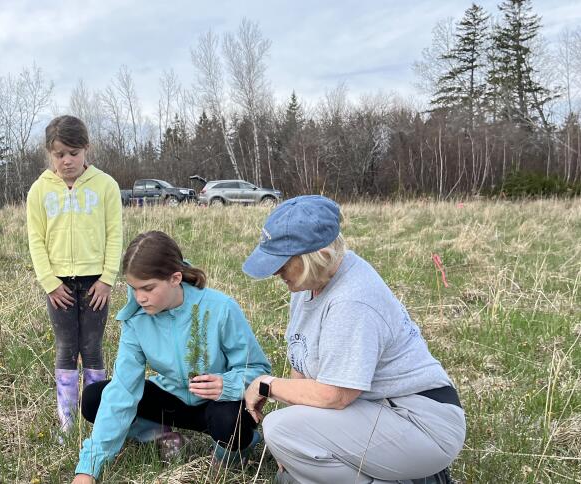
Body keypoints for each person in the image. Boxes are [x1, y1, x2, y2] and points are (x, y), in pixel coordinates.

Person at [241, 195, 466, 484]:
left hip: (420, 423)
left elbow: (336, 395)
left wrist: (266, 385)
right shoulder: (308, 285)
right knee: (289, 448)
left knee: (280, 429)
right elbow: (303, 367)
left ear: (318, 255)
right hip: (378, 411)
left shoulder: (353, 299)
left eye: (283, 262)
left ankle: (411, 478)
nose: (275, 272)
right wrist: (293, 449)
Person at [72, 231, 272, 483]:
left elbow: (257, 369)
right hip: (171, 399)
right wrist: (87, 469)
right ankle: (160, 435)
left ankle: (228, 454)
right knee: (94, 398)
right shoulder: (135, 320)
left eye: (148, 288)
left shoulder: (221, 308)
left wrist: (229, 384)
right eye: (133, 288)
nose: (139, 297)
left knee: (231, 422)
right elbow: (123, 389)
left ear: (175, 278)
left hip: (216, 403)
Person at [26, 115, 124, 439]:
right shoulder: (39, 191)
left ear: (86, 149)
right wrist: (49, 283)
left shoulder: (106, 186)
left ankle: (97, 420)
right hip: (59, 287)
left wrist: (108, 279)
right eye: (59, 154)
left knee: (92, 347)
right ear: (49, 154)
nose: (66, 161)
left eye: (73, 152)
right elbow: (35, 239)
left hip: (96, 282)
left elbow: (115, 235)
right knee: (67, 348)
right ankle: (68, 425)